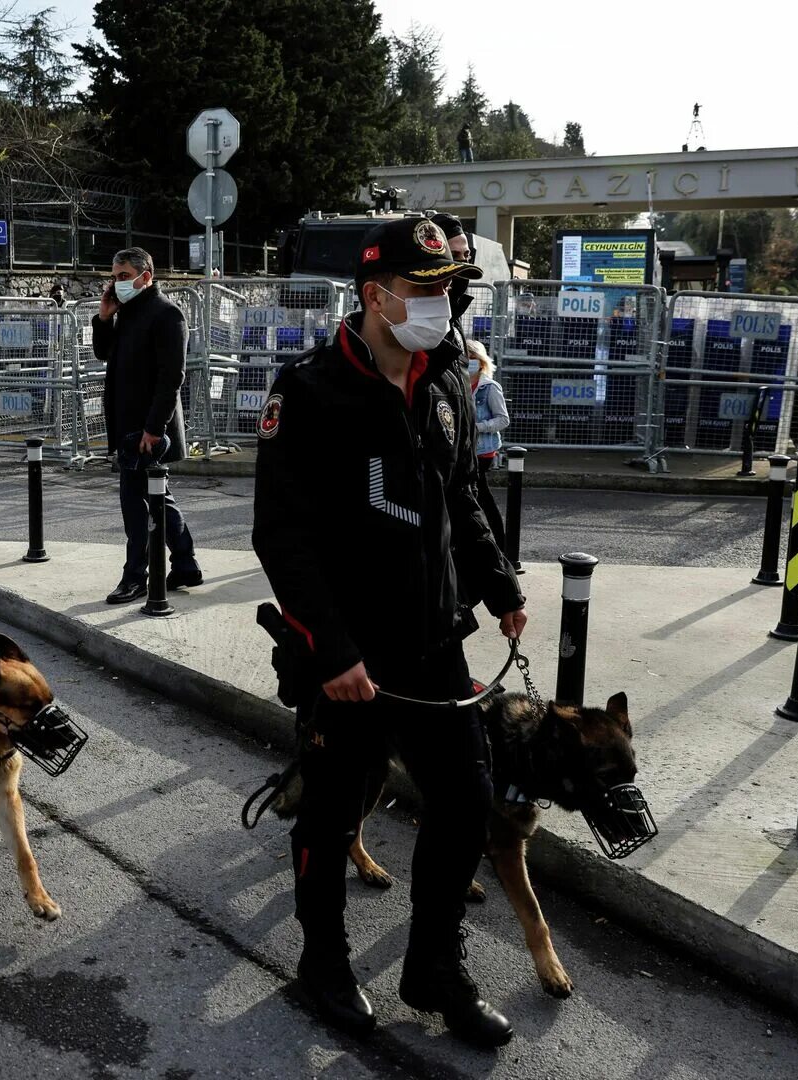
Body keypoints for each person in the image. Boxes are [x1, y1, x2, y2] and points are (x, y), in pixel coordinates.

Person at [253, 217, 527, 1047]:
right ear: (375, 295)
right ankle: (324, 962)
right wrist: (331, 650)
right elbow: (282, 535)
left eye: (449, 287)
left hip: (433, 643)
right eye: (424, 288)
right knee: (334, 814)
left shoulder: (445, 381)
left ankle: (433, 967)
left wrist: (501, 584)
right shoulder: (307, 390)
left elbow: (464, 501)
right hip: (347, 659)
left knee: (468, 798)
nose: (442, 304)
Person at [92, 247, 202, 604]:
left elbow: (172, 377)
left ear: (146, 276)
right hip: (128, 426)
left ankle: (135, 576)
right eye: (114, 276)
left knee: (134, 502)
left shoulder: (167, 314)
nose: (116, 283)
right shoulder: (128, 313)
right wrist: (104, 318)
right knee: (157, 498)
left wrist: (155, 428)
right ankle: (185, 564)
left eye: (123, 276)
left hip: (148, 428)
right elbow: (103, 353)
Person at [466, 339, 510, 550]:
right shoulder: (459, 383)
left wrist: (478, 427)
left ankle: (498, 544)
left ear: (481, 361)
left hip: (483, 451)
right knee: (476, 494)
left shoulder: (489, 388)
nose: (468, 361)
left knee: (480, 494)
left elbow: (503, 419)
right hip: (465, 449)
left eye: (472, 357)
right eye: (465, 357)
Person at [432, 212, 476, 346]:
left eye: (466, 255)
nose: (462, 264)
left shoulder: (455, 312)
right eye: (454, 256)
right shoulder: (425, 317)